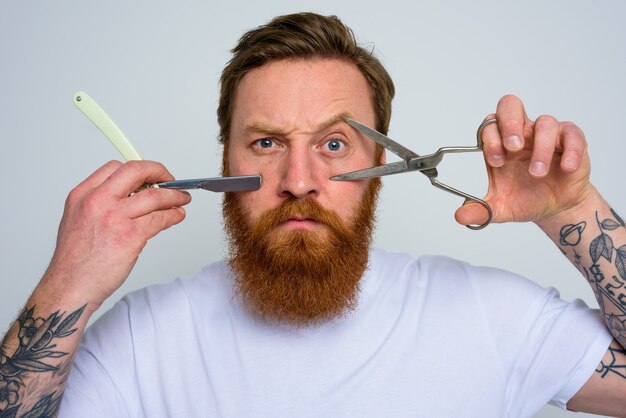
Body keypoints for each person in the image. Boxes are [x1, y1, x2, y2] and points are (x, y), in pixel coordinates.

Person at [1, 12, 625, 417]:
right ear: (225, 160)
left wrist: (571, 210)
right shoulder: (140, 342)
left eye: (334, 145)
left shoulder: (492, 319)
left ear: (380, 161)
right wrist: (68, 283)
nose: (299, 182)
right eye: (266, 143)